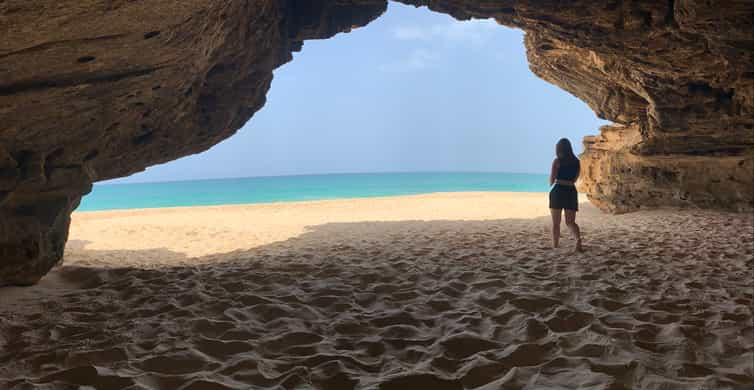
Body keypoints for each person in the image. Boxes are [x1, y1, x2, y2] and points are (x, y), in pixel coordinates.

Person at [549, 138, 583, 251]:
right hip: (571, 192)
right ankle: (578, 239)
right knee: (570, 222)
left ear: (558, 149)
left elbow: (552, 181)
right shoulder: (577, 161)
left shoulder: (557, 161)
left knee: (556, 223)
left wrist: (554, 180)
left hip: (558, 191)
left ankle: (555, 245)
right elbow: (575, 179)